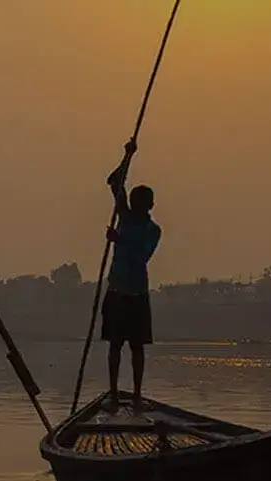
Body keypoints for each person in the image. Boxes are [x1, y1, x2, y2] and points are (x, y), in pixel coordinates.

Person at [101, 139, 160, 410]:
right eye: (133, 202)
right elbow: (114, 182)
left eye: (140, 204)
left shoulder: (151, 230)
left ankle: (136, 396)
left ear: (150, 206)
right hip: (116, 291)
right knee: (115, 345)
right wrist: (127, 155)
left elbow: (141, 258)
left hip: (136, 294)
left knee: (137, 347)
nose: (135, 207)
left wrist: (119, 240)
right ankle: (113, 394)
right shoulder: (124, 216)